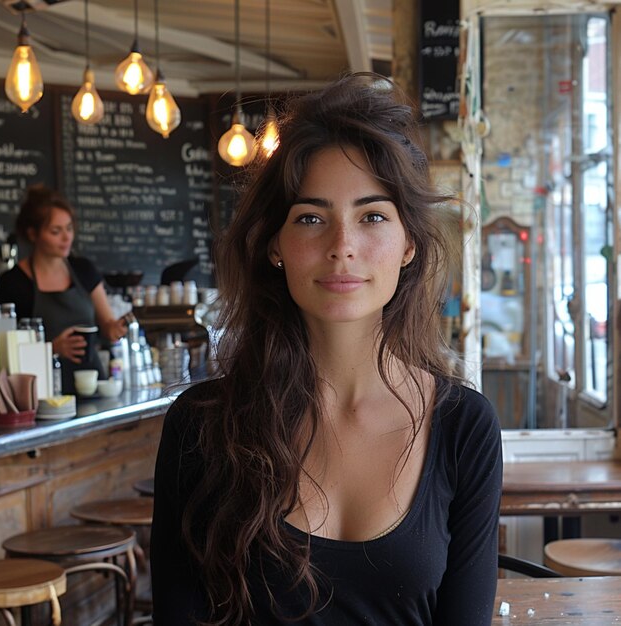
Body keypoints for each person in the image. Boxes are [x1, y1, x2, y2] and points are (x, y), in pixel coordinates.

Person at [151, 73, 502, 626]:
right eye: (311, 218)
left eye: (373, 217)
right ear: (274, 245)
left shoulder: (463, 426)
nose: (342, 247)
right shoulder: (200, 427)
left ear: (408, 243)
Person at [0, 185, 126, 393]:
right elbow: (4, 354)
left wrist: (116, 328)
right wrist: (51, 349)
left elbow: (107, 325)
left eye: (69, 228)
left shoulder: (83, 270)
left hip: (92, 385)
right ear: (33, 234)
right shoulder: (12, 284)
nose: (66, 238)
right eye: (56, 231)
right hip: (41, 392)